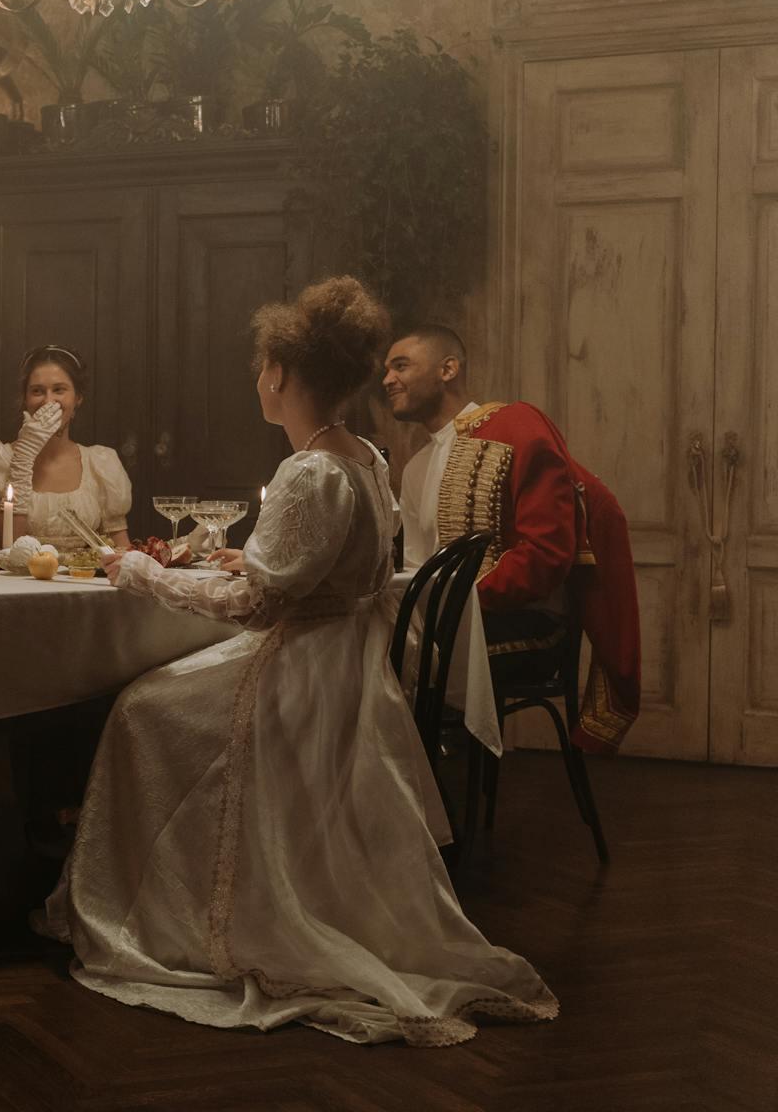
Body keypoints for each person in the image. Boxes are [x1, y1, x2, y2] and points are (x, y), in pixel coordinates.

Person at [43, 276, 557, 1046]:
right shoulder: (366, 458)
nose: (258, 379)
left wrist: (146, 574)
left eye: (262, 367)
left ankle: (176, 910)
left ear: (281, 374)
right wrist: (245, 563)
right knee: (157, 698)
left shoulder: (309, 470)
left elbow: (258, 606)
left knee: (141, 708)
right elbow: (336, 568)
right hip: (351, 668)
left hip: (303, 676)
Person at [383, 325, 641, 753]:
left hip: (528, 623)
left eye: (400, 365)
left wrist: (458, 601)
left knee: (396, 657)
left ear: (448, 369)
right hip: (451, 623)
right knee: (368, 648)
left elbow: (547, 555)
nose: (387, 379)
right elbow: (417, 567)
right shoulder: (415, 468)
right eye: (386, 370)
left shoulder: (516, 426)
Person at [0, 347, 133, 552]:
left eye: (59, 390)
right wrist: (24, 455)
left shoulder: (101, 462)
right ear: (25, 399)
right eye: (37, 391)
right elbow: (7, 543)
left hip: (85, 573)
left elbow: (121, 548)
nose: (48, 401)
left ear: (78, 398)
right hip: (19, 572)